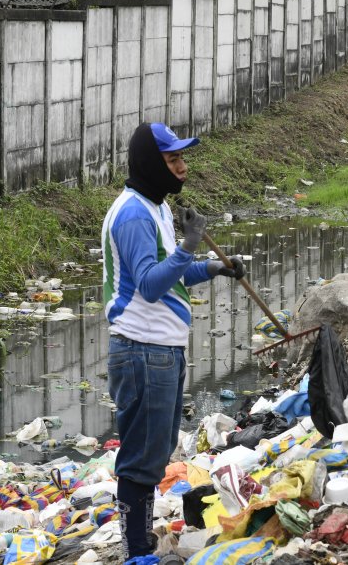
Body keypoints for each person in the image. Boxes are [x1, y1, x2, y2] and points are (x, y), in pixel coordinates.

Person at [102, 123, 245, 559]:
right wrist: (189, 244)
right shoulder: (133, 214)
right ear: (149, 163)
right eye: (172, 160)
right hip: (142, 350)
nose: (182, 168)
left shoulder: (156, 207)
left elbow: (175, 276)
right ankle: (135, 549)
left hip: (162, 350)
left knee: (157, 449)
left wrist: (213, 268)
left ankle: (141, 541)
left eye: (183, 159)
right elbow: (147, 284)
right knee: (142, 456)